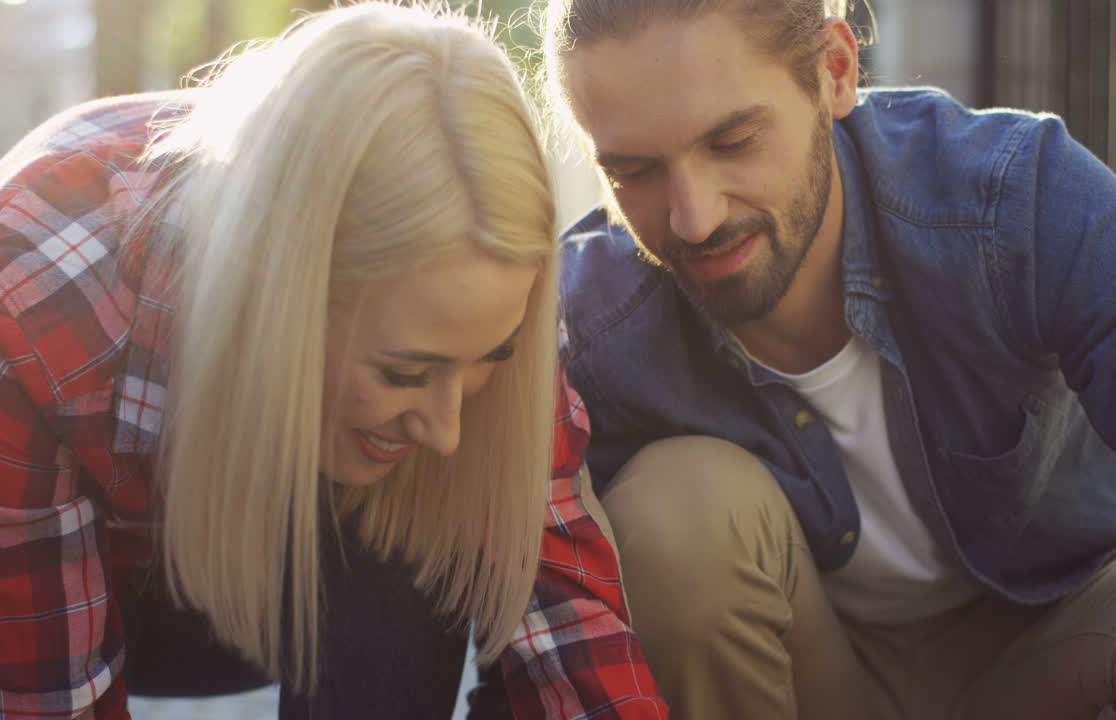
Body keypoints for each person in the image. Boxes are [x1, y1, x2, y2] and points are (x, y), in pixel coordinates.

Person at [540, 0, 1116, 718]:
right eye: (634, 172)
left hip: (1056, 659)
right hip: (807, 681)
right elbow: (515, 621)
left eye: (732, 141)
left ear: (834, 71)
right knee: (678, 513)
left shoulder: (1006, 199)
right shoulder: (593, 327)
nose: (692, 217)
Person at [0, 3, 665, 719]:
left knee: (415, 487)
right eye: (404, 370)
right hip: (93, 581)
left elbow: (570, 632)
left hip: (300, 565)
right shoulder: (32, 313)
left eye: (485, 359)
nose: (448, 427)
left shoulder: (480, 291)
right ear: (278, 292)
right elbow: (51, 700)